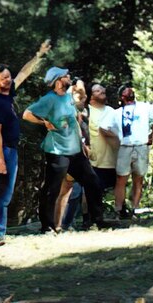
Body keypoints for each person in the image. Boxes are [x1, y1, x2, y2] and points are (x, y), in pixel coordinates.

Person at [23, 66, 112, 232]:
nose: (69, 77)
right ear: (58, 81)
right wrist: (45, 123)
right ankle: (47, 226)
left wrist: (82, 143)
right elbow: (27, 114)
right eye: (66, 76)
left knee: (92, 182)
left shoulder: (68, 97)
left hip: (75, 151)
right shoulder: (49, 100)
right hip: (57, 151)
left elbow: (75, 121)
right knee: (52, 188)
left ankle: (98, 220)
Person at [0, 39, 50, 247]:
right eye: (2, 78)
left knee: (5, 193)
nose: (6, 80)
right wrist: (1, 160)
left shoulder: (8, 94)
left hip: (10, 150)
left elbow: (23, 73)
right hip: (2, 151)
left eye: (7, 77)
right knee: (2, 193)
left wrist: (38, 56)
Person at [101, 84, 153, 218]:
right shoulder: (117, 113)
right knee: (121, 179)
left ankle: (135, 209)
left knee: (139, 178)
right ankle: (119, 210)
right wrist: (118, 137)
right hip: (125, 147)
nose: (129, 91)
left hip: (141, 146)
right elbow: (103, 128)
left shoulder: (145, 107)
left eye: (130, 89)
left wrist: (152, 135)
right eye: (125, 90)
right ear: (121, 97)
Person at [56, 78, 91, 230]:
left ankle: (67, 223)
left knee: (77, 191)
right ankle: (60, 223)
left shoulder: (82, 109)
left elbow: (82, 97)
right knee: (68, 190)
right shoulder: (64, 105)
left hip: (80, 151)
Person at [87, 83, 119, 208]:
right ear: (90, 96)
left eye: (102, 89)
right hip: (94, 161)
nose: (102, 91)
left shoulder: (111, 111)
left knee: (117, 187)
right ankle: (88, 218)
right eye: (97, 90)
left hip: (112, 160)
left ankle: (120, 212)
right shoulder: (87, 112)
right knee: (91, 190)